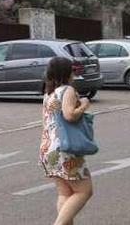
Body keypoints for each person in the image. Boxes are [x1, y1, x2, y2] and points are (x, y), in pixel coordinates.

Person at [40, 56, 93, 225]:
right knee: (84, 191)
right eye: (72, 70)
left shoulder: (48, 94)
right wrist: (84, 104)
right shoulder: (67, 90)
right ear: (67, 72)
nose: (74, 73)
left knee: (65, 194)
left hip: (48, 148)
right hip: (65, 149)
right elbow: (69, 115)